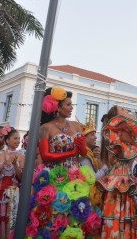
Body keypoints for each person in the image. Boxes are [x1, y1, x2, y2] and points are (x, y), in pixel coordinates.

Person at [25, 86, 102, 238]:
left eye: (71, 104)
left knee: (75, 214)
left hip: (75, 176)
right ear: (57, 107)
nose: (71, 107)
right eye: (68, 104)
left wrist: (80, 148)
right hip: (54, 176)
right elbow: (46, 156)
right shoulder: (45, 128)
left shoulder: (76, 125)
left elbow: (84, 153)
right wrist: (72, 152)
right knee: (53, 215)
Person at [96, 105, 137, 238]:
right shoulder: (122, 133)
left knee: (116, 213)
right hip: (121, 179)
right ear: (117, 117)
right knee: (124, 213)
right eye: (123, 109)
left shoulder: (117, 133)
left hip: (117, 179)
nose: (126, 109)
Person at [0, 126, 24, 238]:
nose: (18, 141)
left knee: (12, 224)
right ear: (7, 140)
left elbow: (22, 178)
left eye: (19, 138)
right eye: (15, 138)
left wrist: (15, 165)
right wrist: (2, 164)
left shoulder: (21, 157)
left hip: (15, 195)